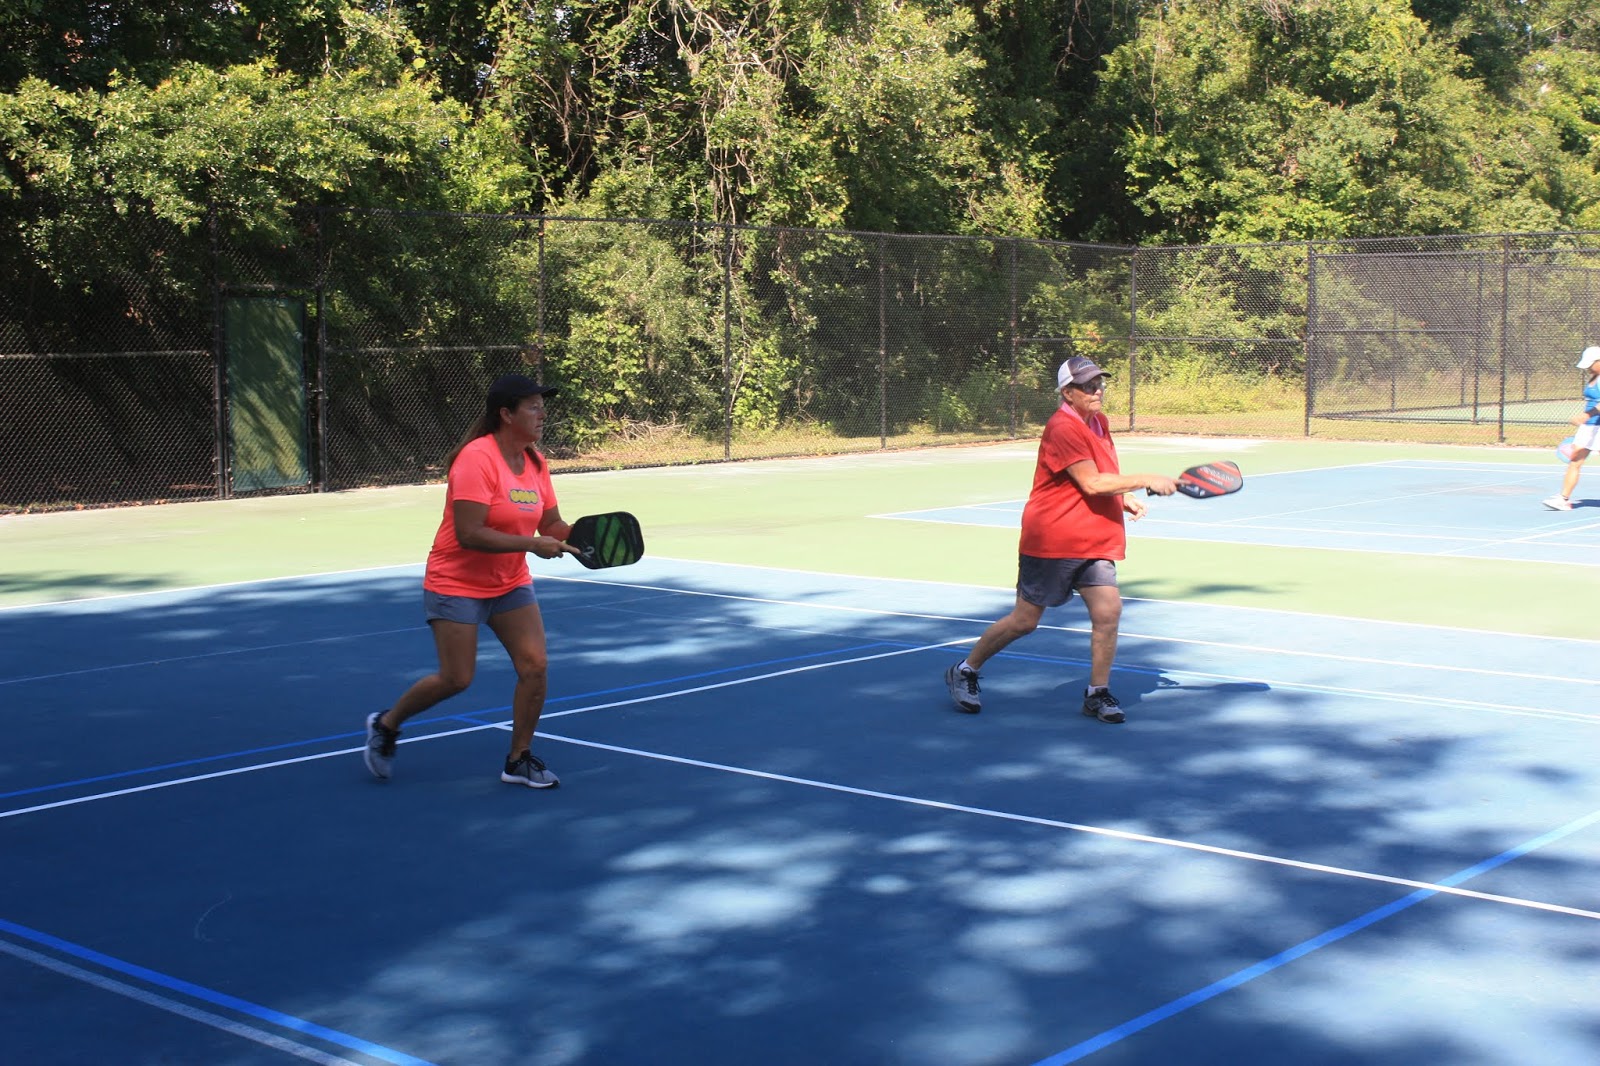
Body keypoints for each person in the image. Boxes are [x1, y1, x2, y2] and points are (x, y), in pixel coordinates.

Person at [364, 373, 575, 788]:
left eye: (541, 405)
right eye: (532, 406)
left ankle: (519, 758)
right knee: (456, 678)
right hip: (456, 580)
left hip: (509, 580)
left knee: (535, 666)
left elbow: (551, 522)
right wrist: (532, 545)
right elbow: (469, 532)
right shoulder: (477, 459)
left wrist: (584, 537)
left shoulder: (535, 460)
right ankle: (387, 724)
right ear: (505, 414)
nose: (542, 413)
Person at [944, 356, 1179, 723]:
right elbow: (1090, 482)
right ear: (1067, 393)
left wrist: (1122, 497)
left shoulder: (1098, 421)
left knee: (1108, 612)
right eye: (1087, 386)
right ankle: (966, 669)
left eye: (1099, 383)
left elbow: (1103, 475)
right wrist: (1146, 478)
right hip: (1053, 536)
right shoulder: (1063, 428)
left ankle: (1097, 693)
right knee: (1025, 621)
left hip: (1095, 538)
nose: (1097, 390)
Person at [1543, 345, 1600, 511]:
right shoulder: (1594, 377)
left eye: (1591, 364)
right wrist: (1587, 419)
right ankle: (1563, 499)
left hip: (1596, 423)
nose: (1588, 368)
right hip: (1589, 427)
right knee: (1575, 460)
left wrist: (1586, 415)